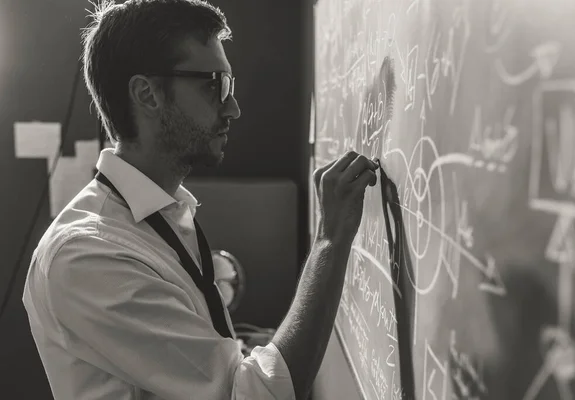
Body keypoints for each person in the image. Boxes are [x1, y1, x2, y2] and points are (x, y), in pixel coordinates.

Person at [22, 1, 378, 399]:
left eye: (229, 84)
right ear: (147, 94)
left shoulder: (163, 213)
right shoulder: (86, 254)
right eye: (214, 84)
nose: (233, 107)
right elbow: (252, 395)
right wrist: (330, 242)